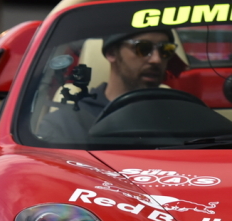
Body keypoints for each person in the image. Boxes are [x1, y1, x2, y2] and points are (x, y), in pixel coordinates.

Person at [37, 30, 176, 142]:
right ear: (111, 53)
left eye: (166, 50)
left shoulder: (180, 117)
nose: (157, 59)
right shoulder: (67, 125)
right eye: (143, 48)